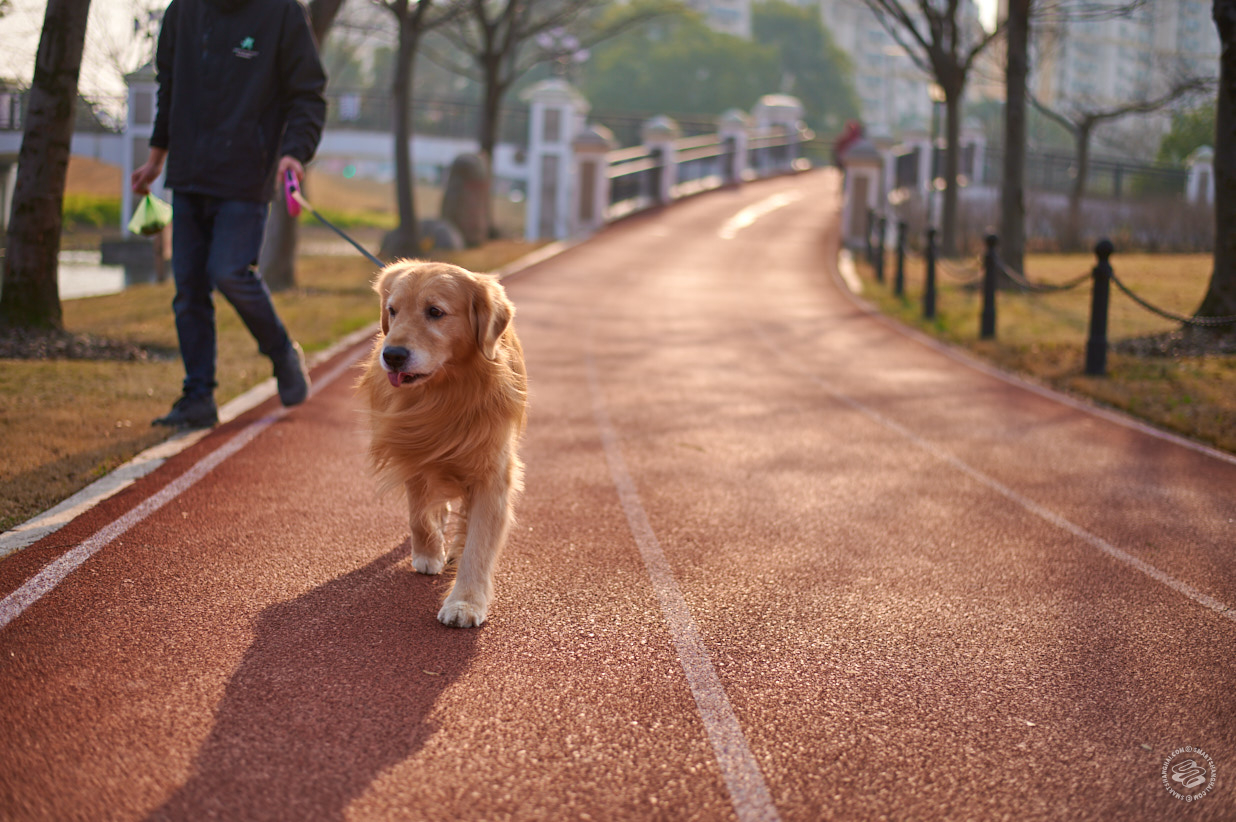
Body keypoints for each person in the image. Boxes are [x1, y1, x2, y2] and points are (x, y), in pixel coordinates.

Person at [131, 0, 327, 428]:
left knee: (230, 271)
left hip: (246, 172)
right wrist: (156, 157)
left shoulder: (282, 13)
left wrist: (294, 153)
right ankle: (198, 396)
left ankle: (280, 353)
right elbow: (170, 85)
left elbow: (307, 95)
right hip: (188, 172)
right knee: (188, 290)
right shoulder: (183, 10)